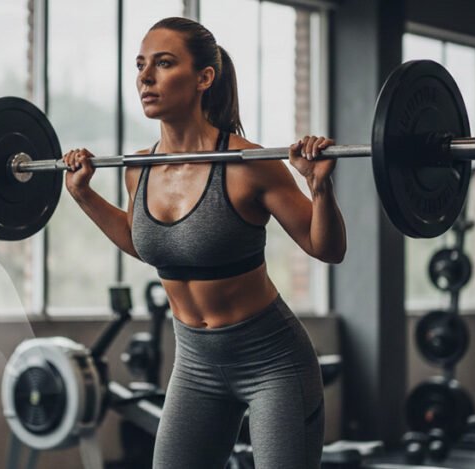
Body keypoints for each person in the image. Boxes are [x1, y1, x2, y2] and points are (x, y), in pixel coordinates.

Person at [62, 17, 346, 469]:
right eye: (140, 66)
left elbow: (325, 248)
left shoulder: (247, 163)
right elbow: (150, 245)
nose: (145, 77)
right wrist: (83, 194)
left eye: (164, 63)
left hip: (272, 363)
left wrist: (319, 187)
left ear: (203, 78)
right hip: (195, 364)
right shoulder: (138, 168)